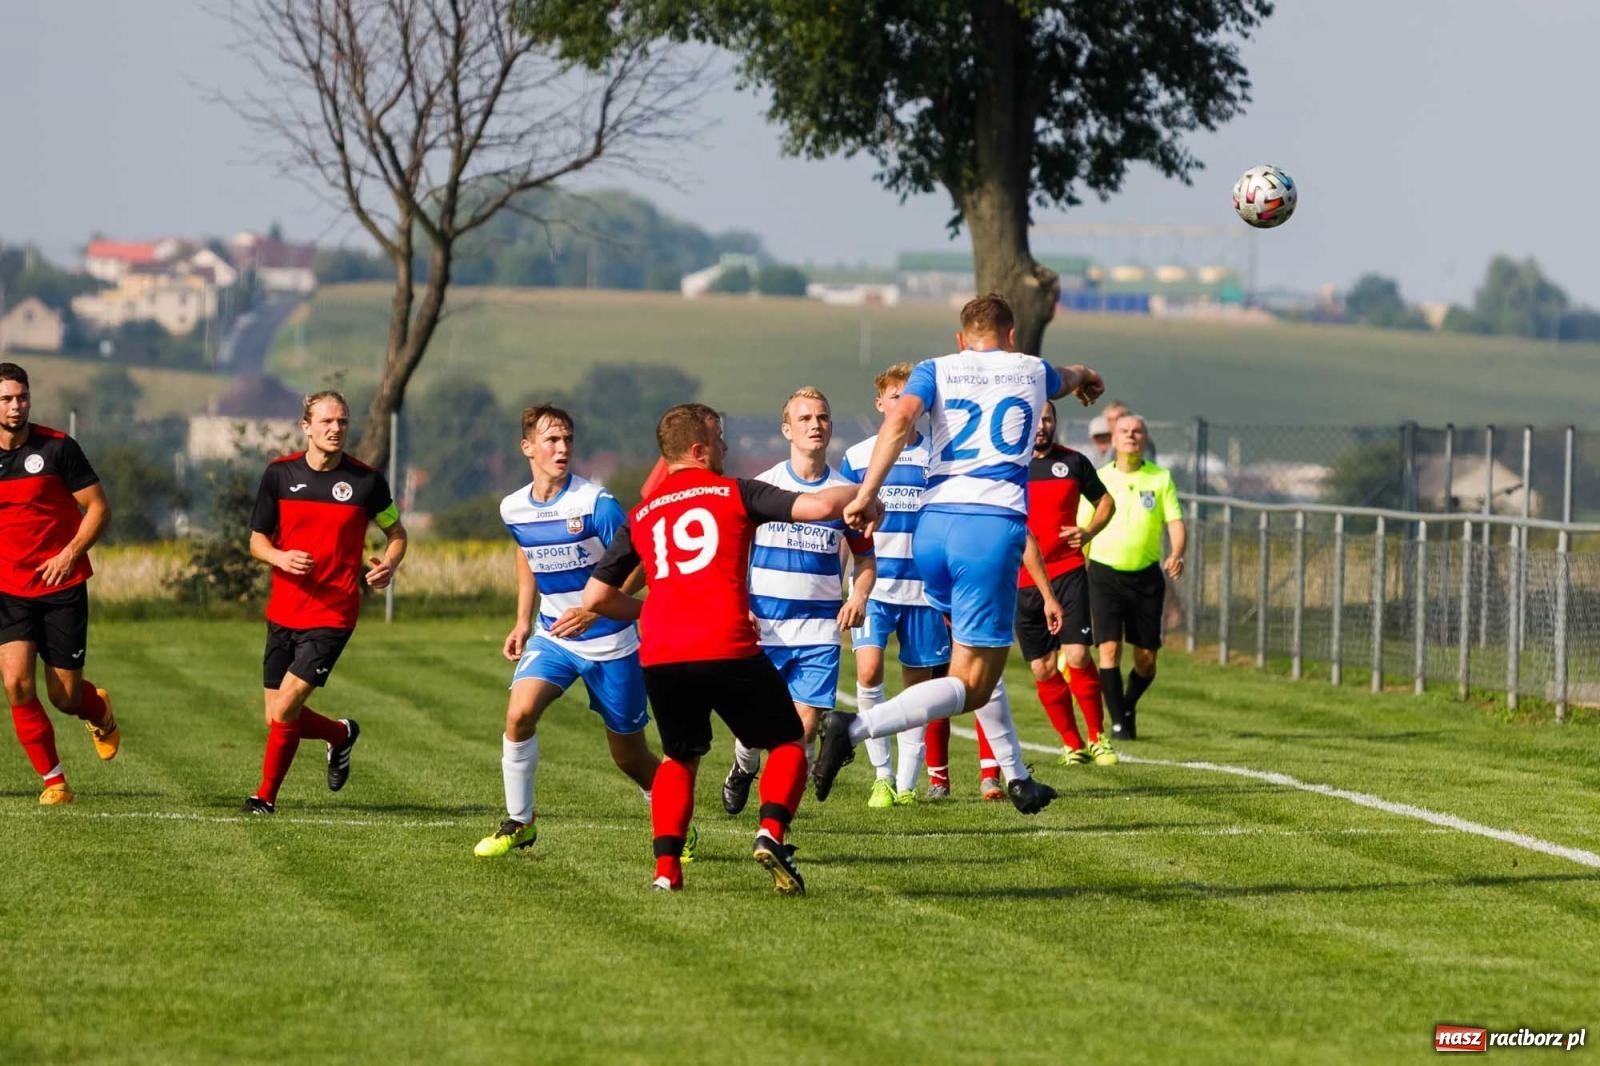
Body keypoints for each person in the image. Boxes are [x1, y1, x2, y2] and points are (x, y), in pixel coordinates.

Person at [816, 293, 1105, 814]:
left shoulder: (936, 368)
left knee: (970, 665)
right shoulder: (1031, 369)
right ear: (1012, 336)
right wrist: (1087, 376)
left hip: (935, 529)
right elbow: (1069, 373)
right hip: (988, 531)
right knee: (972, 683)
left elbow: (900, 419)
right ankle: (854, 728)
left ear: (960, 338)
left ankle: (1018, 776)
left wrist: (866, 493)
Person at [582, 404, 882, 895]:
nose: (725, 447)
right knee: (787, 741)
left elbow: (595, 597)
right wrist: (865, 496)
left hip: (661, 652)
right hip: (725, 641)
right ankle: (772, 832)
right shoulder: (735, 492)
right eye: (719, 439)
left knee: (678, 757)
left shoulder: (643, 513)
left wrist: (652, 611)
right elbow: (818, 506)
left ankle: (666, 872)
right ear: (699, 449)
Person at [474, 405, 681, 859]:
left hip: (611, 643)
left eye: (567, 439)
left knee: (628, 757)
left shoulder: (595, 504)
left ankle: (675, 821)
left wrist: (596, 608)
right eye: (551, 440)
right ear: (527, 447)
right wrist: (524, 621)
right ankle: (520, 822)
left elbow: (641, 561)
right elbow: (528, 554)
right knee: (518, 715)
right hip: (553, 637)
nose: (562, 447)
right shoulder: (513, 507)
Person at [241, 390, 407, 814]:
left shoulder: (366, 482)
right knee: (276, 715)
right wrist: (280, 556)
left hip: (333, 614)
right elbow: (257, 540)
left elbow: (397, 534)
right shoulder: (279, 475)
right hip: (283, 611)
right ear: (307, 427)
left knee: (286, 707)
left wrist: (388, 565)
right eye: (327, 422)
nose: (336, 429)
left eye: (343, 422)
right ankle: (339, 734)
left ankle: (265, 798)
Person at [721, 388, 875, 815]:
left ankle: (772, 818)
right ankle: (743, 766)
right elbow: (734, 550)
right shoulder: (764, 487)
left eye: (822, 417)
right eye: (804, 418)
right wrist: (741, 604)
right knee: (753, 727)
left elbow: (865, 557)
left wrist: (858, 595)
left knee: (803, 728)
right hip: (763, 624)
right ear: (787, 429)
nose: (815, 425)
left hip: (819, 627)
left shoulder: (848, 495)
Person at [0, 362, 118, 806]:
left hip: (60, 585)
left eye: (22, 396)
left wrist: (68, 554)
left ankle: (98, 710)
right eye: (7, 398)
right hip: (8, 588)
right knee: (16, 684)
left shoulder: (58, 448)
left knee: (64, 696)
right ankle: (56, 783)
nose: (17, 406)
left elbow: (98, 509)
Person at [838, 364, 950, 807]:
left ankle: (906, 783)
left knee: (917, 689)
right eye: (894, 395)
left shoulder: (938, 455)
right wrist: (843, 585)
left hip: (923, 589)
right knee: (868, 671)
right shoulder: (859, 456)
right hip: (875, 587)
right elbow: (844, 524)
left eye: (911, 396)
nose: (903, 402)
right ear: (881, 403)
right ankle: (881, 775)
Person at [1017, 399, 1118, 767]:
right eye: (1036, 420)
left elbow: (1106, 501)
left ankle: (1098, 737)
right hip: (1021, 581)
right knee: (1042, 667)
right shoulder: (1009, 467)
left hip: (1067, 570)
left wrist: (1088, 529)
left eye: (1048, 419)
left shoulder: (1073, 461)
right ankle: (1072, 744)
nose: (1042, 425)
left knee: (1076, 654)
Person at [1086, 414, 1184, 741]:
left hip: (1145, 578)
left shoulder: (1160, 479)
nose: (1131, 436)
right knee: (1109, 650)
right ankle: (1117, 723)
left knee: (1146, 660)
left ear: (1145, 438)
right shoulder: (1098, 479)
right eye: (1124, 431)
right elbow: (1084, 529)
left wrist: (1176, 552)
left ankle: (1127, 705)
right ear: (1113, 440)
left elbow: (1175, 523)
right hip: (1104, 574)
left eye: (1137, 431)